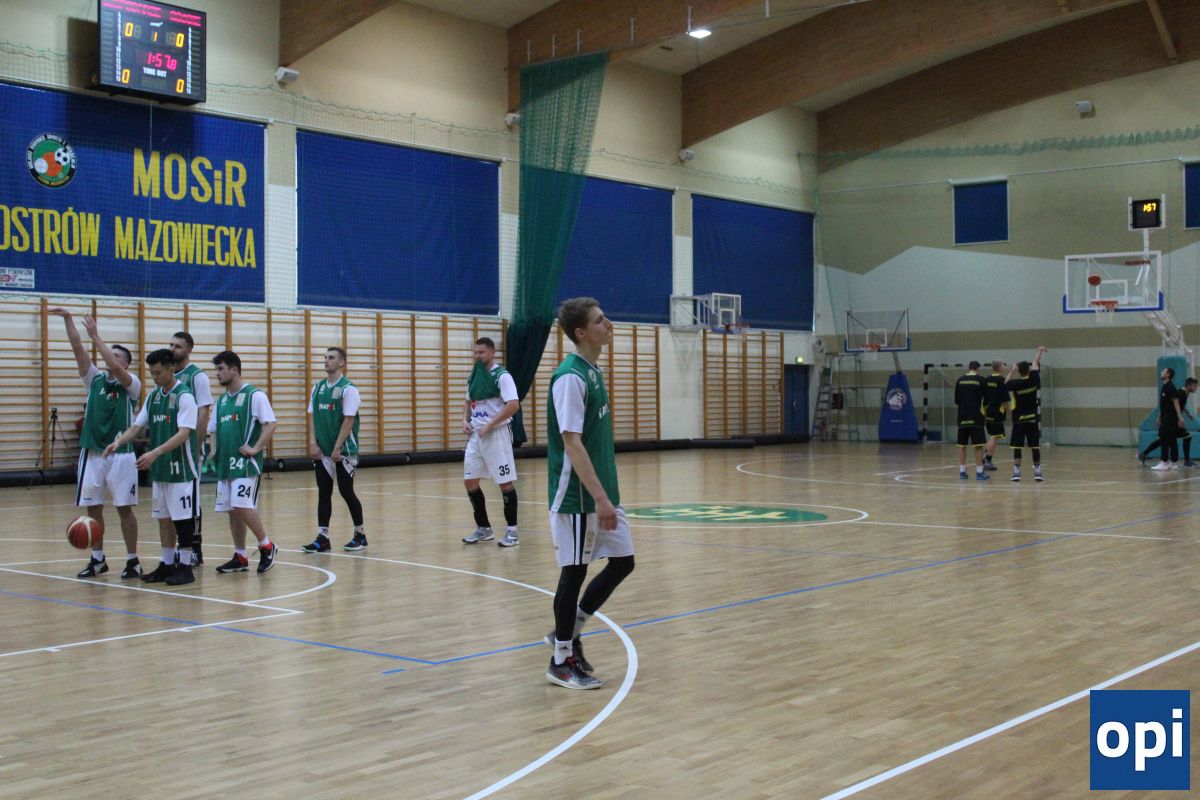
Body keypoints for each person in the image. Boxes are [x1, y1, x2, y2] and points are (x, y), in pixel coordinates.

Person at [543, 297, 635, 690]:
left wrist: (607, 495)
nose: (608, 324)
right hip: (578, 496)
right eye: (600, 320)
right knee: (574, 571)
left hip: (601, 492)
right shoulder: (570, 377)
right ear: (581, 333)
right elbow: (572, 443)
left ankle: (569, 630)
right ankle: (561, 660)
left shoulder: (592, 371)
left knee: (623, 562)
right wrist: (599, 498)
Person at [48, 308, 142, 579]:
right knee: (93, 508)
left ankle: (133, 560)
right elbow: (78, 348)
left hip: (121, 454)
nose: (110, 357)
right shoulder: (94, 380)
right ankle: (98, 559)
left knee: (124, 508)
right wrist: (68, 320)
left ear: (126, 364)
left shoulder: (131, 385)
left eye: (116, 355)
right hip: (92, 454)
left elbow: (114, 367)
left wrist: (96, 336)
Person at [105, 348, 199, 586]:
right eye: (152, 374)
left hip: (180, 469)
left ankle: (185, 568)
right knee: (163, 518)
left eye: (158, 373)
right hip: (160, 469)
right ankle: (167, 564)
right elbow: (136, 427)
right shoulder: (154, 397)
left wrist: (155, 452)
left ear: (171, 369)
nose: (154, 378)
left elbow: (184, 434)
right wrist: (117, 443)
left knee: (182, 520)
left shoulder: (185, 396)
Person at [208, 351, 280, 574]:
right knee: (233, 510)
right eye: (216, 369)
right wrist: (213, 449)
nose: (217, 374)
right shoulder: (221, 401)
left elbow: (271, 424)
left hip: (245, 464)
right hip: (225, 464)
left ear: (234, 370)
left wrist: (256, 448)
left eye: (221, 369)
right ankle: (240, 555)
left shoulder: (254, 395)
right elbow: (213, 429)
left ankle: (267, 546)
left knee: (241, 504)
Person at [302, 347, 367, 553]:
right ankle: (323, 538)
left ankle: (360, 535)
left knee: (346, 491)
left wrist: (338, 447)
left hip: (343, 451)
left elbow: (349, 420)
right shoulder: (318, 388)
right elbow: (312, 416)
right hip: (323, 451)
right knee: (324, 492)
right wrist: (313, 443)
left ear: (341, 363)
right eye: (325, 357)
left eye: (331, 358)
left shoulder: (349, 389)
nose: (326, 360)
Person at [461, 337, 521, 547]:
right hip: (476, 436)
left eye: (481, 352)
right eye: (475, 352)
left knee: (505, 482)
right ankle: (484, 528)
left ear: (492, 352)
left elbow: (513, 405)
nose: (477, 356)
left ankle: (512, 532)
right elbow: (468, 401)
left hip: (497, 434)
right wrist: (465, 420)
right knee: (470, 481)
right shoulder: (473, 376)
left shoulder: (502, 376)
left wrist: (491, 424)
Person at [170, 331, 213, 564]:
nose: (172, 349)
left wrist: (196, 446)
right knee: (175, 501)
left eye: (177, 346)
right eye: (171, 345)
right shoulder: (168, 376)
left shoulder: (197, 376)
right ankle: (179, 547)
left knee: (192, 498)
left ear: (189, 350)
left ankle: (196, 549)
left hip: (189, 448)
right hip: (171, 448)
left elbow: (204, 412)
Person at [1005, 346, 1048, 482]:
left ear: (1019, 371)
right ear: (1029, 370)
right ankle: (1038, 471)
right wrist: (1039, 351)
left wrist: (1012, 370)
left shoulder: (1015, 383)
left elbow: (1005, 383)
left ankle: (1016, 472)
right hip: (1032, 420)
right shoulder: (1034, 379)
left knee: (1017, 446)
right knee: (1034, 446)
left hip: (1019, 420)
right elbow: (1035, 363)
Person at [1140, 376, 1197, 468]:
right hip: (1171, 421)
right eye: (1194, 386)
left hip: (1174, 420)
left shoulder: (1186, 393)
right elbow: (1169, 405)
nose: (1196, 388)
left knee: (1165, 439)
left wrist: (1188, 413)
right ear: (1189, 385)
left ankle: (1144, 454)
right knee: (1182, 437)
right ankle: (1184, 461)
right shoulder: (1181, 392)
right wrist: (1160, 417)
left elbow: (1181, 405)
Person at [954, 361, 989, 481]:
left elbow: (957, 400)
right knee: (978, 446)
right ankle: (979, 473)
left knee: (962, 445)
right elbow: (986, 401)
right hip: (976, 417)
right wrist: (984, 411)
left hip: (962, 417)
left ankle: (962, 472)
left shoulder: (960, 380)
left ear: (969, 368)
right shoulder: (982, 380)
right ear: (978, 369)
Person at [1148, 366, 1186, 471]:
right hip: (1165, 417)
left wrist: (1180, 417)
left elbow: (1176, 402)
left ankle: (1163, 462)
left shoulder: (1170, 387)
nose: (1161, 372)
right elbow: (1164, 405)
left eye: (1163, 371)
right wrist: (1159, 417)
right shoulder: (1164, 387)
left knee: (1164, 439)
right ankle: (1173, 463)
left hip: (1170, 418)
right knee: (1172, 439)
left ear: (1168, 374)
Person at [982, 360, 1008, 471]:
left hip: (988, 411)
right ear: (999, 367)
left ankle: (985, 457)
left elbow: (984, 397)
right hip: (997, 412)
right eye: (1003, 364)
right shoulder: (1001, 380)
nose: (1004, 366)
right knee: (994, 436)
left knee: (992, 436)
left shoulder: (987, 379)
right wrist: (1010, 412)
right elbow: (1004, 400)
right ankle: (987, 460)